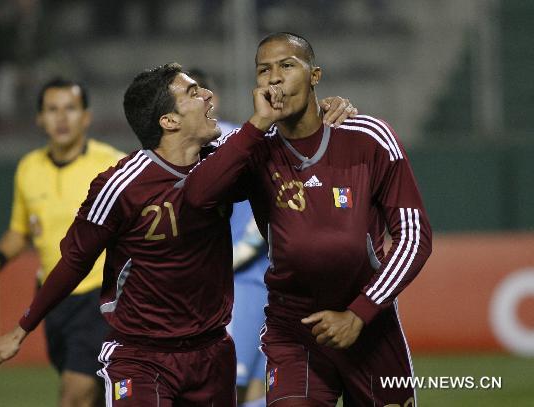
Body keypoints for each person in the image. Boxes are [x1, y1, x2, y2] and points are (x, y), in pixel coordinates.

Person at [0, 63, 356, 406]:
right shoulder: (121, 185)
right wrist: (21, 330)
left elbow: (286, 149)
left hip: (212, 354)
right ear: (169, 121)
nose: (207, 95)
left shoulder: (222, 161)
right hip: (141, 358)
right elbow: (76, 260)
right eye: (192, 92)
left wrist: (321, 112)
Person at [184, 32, 433, 406]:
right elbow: (198, 195)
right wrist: (256, 125)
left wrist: (359, 313)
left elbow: (415, 238)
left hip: (371, 326)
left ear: (315, 75)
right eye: (264, 69)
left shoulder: (370, 137)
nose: (274, 77)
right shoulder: (254, 148)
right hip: (293, 330)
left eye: (287, 65)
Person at [0, 77, 125, 407]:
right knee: (94, 394)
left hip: (101, 297)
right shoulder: (28, 168)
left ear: (86, 116)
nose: (61, 118)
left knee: (75, 394)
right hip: (52, 301)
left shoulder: (113, 165)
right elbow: (20, 231)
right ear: (39, 119)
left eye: (70, 109)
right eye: (52, 110)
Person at [188, 68, 269, 407]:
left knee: (232, 387)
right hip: (211, 287)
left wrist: (217, 265)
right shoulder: (173, 153)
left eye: (200, 94)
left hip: (243, 283)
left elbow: (258, 224)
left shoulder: (239, 142)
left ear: (213, 99)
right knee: (252, 388)